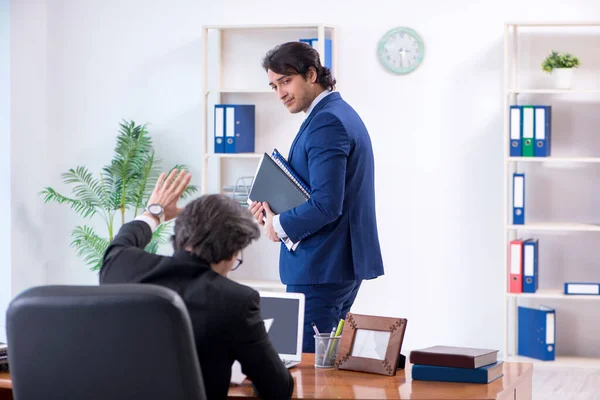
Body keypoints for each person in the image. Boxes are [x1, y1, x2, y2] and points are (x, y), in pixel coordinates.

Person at [99, 169, 294, 400]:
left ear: (180, 233)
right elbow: (278, 389)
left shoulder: (121, 267)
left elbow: (125, 238)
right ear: (232, 253)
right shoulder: (236, 302)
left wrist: (155, 213)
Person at [249, 41, 384, 353]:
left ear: (311, 74)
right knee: (324, 365)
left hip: (321, 267)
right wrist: (272, 211)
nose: (280, 93)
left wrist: (278, 224)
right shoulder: (337, 113)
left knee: (305, 367)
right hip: (334, 265)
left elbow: (326, 204)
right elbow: (321, 192)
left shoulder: (327, 122)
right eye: (274, 85)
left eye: (286, 81)